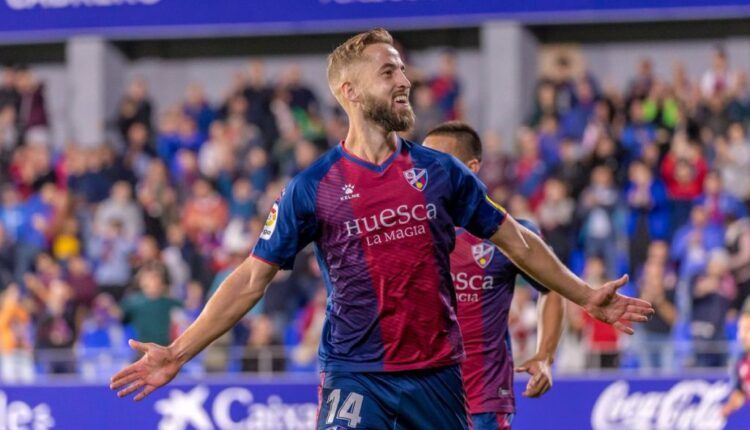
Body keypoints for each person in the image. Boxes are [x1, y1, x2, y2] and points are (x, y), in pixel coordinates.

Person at [111, 28, 653, 430]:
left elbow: (515, 239)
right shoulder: (313, 186)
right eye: (388, 71)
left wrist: (584, 295)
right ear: (349, 91)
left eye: (402, 69)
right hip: (355, 374)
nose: (404, 80)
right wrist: (179, 352)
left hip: (440, 376)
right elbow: (252, 279)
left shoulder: (440, 173)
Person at [424, 121, 565, 430]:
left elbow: (552, 289)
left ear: (471, 167)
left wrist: (544, 354)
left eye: (438, 160)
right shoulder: (409, 228)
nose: (426, 168)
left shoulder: (511, 234)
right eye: (423, 159)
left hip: (484, 400)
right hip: (423, 398)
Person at [721, 297, 750, 418]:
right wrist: (729, 407)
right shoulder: (740, 363)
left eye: (747, 330)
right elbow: (741, 393)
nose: (741, 335)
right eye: (740, 329)